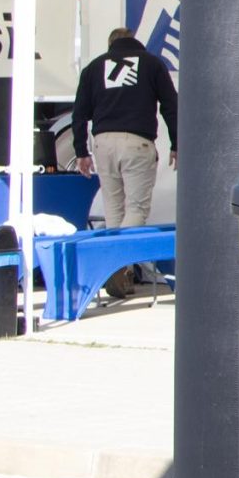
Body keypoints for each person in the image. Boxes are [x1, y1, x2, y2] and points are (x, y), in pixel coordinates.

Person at [71, 25, 178, 294]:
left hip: (103, 142)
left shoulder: (94, 68)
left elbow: (79, 113)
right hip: (137, 143)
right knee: (136, 209)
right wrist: (177, 144)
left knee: (113, 210)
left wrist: (81, 151)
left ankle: (114, 270)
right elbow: (171, 106)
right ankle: (118, 265)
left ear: (111, 45)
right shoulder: (152, 64)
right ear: (134, 41)